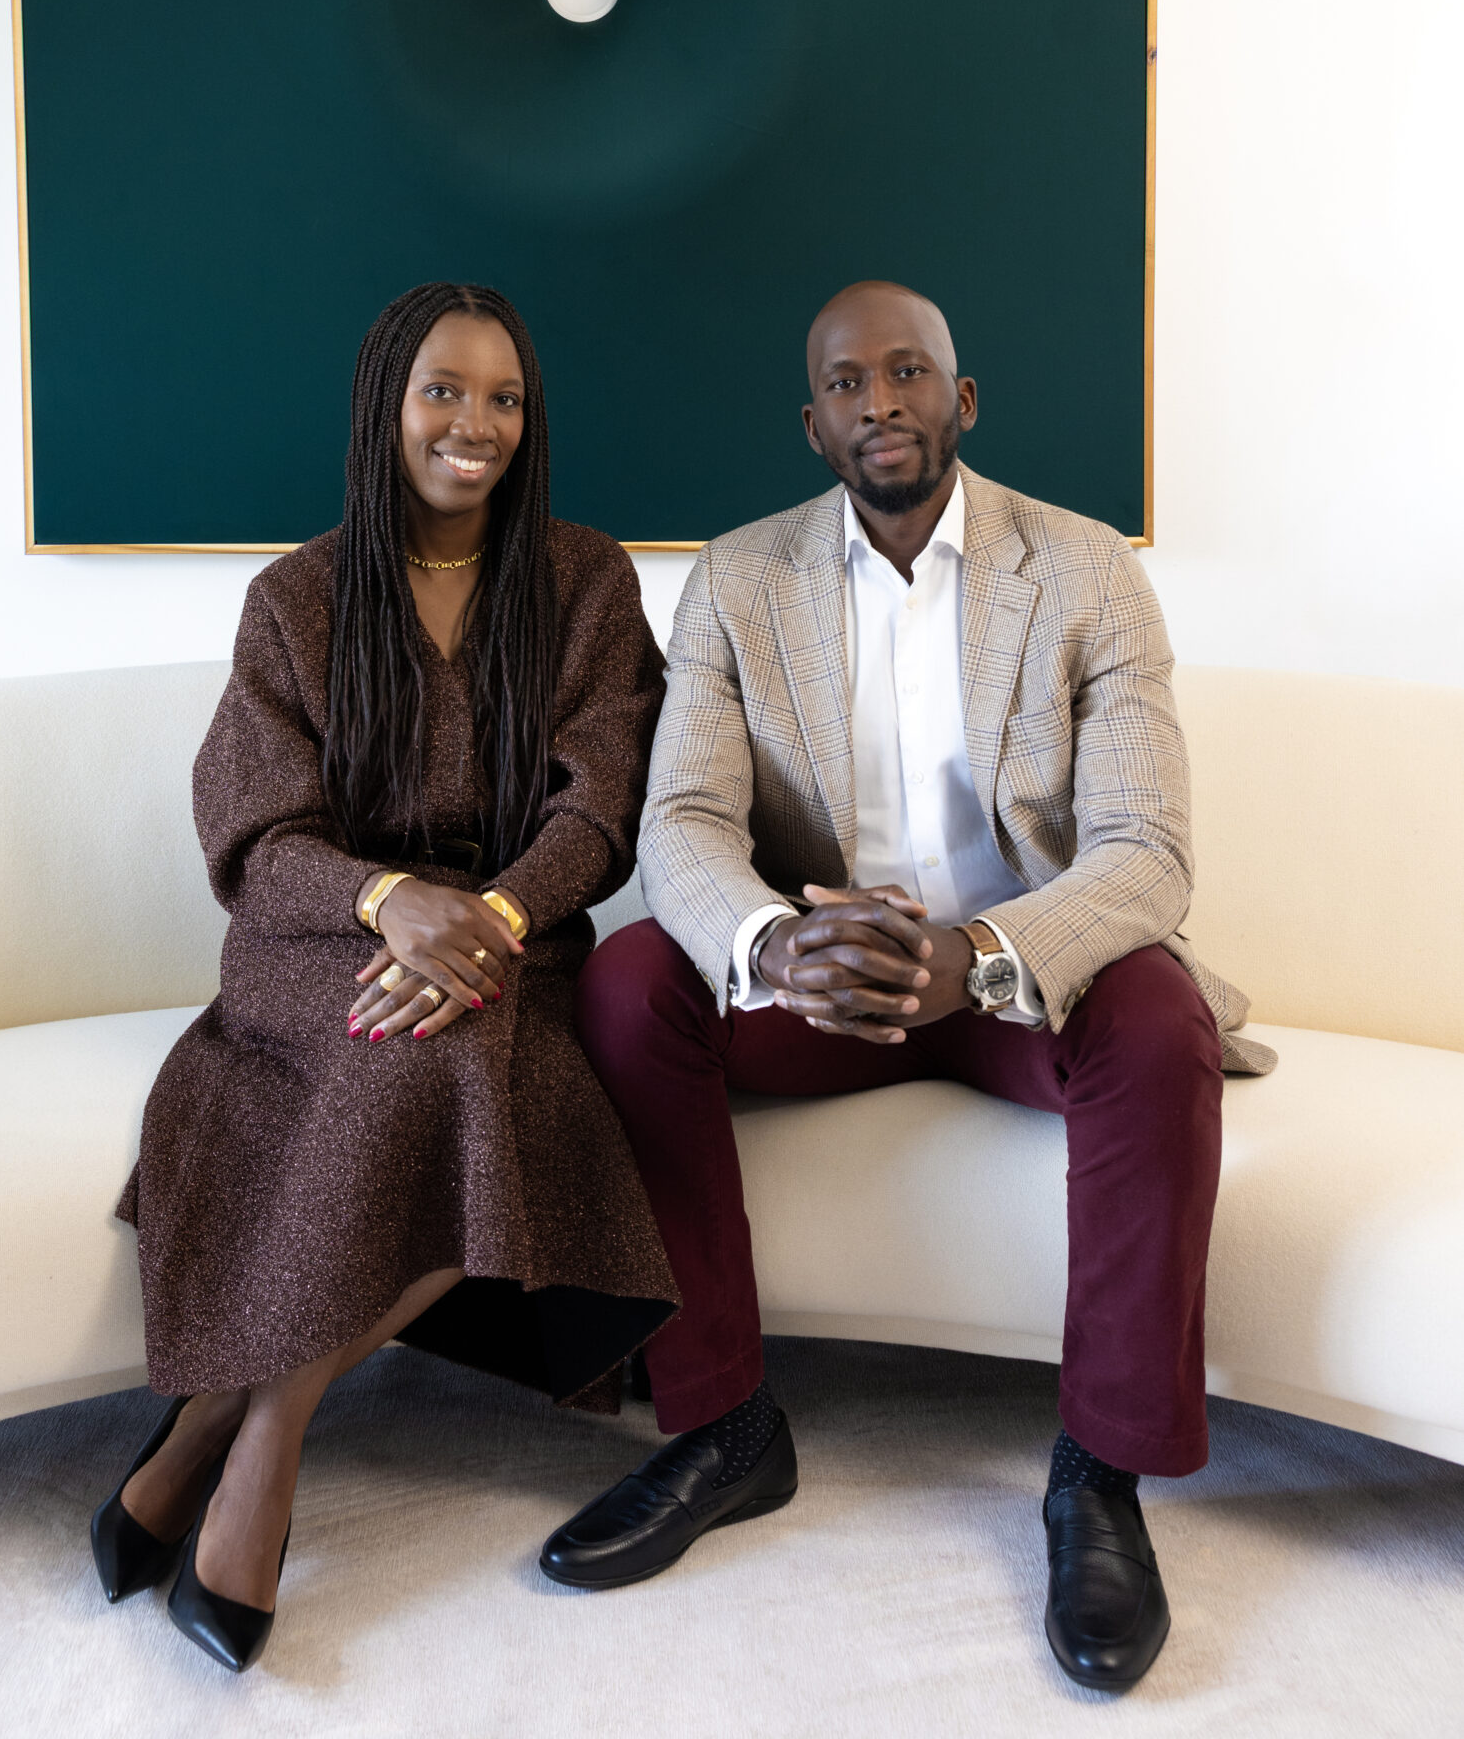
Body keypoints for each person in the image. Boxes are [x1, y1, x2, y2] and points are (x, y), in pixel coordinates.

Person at [545, 279, 1272, 1696]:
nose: (880, 402)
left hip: (1012, 975)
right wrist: (770, 943)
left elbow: (1146, 851)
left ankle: (1102, 1478)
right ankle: (722, 1429)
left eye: (909, 373)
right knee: (634, 983)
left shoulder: (1083, 571)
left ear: (964, 399)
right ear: (811, 425)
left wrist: (983, 954)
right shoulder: (739, 579)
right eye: (847, 383)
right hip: (824, 979)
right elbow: (682, 822)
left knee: (1160, 1016)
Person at [91, 282, 676, 1671]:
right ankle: (242, 1437)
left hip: (512, 943)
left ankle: (246, 1429)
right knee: (410, 1043)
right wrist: (385, 899)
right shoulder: (295, 598)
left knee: (461, 1043)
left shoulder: (588, 582)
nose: (474, 424)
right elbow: (251, 828)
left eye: (504, 400)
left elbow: (598, 813)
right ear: (385, 405)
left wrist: (489, 921)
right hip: (318, 946)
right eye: (443, 391)